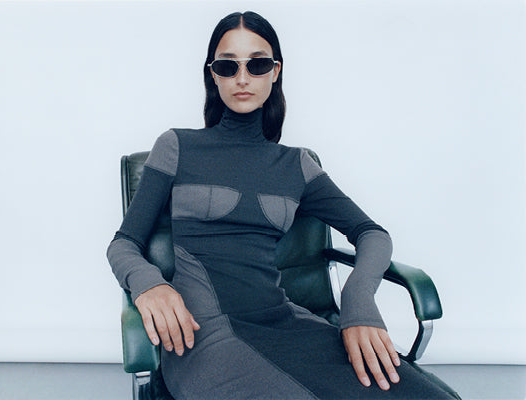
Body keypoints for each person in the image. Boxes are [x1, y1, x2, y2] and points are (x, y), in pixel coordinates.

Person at [107, 11, 455, 400]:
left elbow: (371, 233)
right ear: (213, 75)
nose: (242, 78)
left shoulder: (296, 165)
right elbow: (123, 243)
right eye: (228, 66)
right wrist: (149, 284)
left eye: (257, 64)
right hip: (202, 338)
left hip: (286, 323)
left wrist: (358, 300)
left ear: (275, 72)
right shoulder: (177, 147)